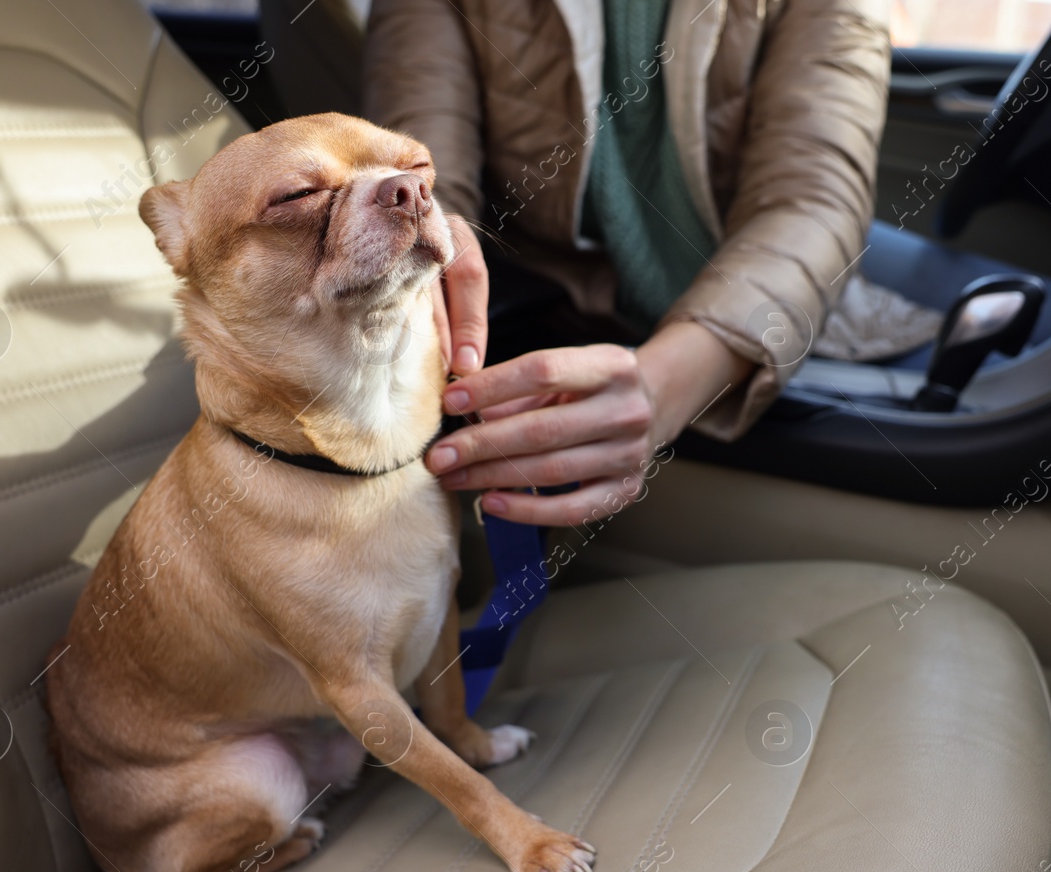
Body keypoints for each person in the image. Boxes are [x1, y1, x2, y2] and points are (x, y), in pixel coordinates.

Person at [362, 0, 893, 525]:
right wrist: (437, 243)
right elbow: (419, 157)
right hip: (537, 306)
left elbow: (813, 199)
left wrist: (663, 387)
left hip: (754, 321)